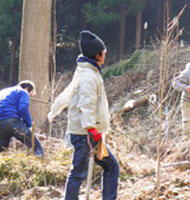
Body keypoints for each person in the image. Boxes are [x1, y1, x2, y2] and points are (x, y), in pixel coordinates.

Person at [59, 30, 120, 200]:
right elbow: (86, 104)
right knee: (78, 173)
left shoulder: (89, 72)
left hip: (89, 132)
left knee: (111, 166)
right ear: (97, 54)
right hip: (85, 133)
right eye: (104, 52)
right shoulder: (88, 76)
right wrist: (91, 128)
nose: (105, 55)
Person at [0, 80, 44, 157]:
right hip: (12, 122)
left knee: (1, 154)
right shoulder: (23, 92)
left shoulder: (2, 92)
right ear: (27, 89)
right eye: (30, 94)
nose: (29, 97)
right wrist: (28, 124)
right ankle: (40, 164)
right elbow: (23, 108)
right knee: (35, 146)